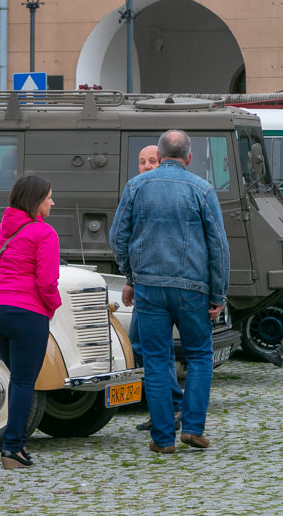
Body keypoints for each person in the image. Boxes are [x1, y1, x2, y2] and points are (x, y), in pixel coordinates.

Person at [110, 130, 229, 454]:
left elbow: (118, 237)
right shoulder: (202, 189)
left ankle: (163, 438)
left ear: (159, 156)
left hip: (150, 287)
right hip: (192, 288)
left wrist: (131, 276)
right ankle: (192, 427)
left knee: (157, 360)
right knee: (200, 355)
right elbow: (218, 246)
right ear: (189, 158)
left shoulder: (136, 186)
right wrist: (218, 295)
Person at [0, 174, 60, 469]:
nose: (52, 202)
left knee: (18, 379)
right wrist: (51, 308)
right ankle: (12, 448)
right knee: (25, 382)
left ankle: (16, 446)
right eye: (49, 197)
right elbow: (47, 281)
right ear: (36, 202)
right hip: (27, 313)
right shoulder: (45, 233)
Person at [128, 144, 183, 432]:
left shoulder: (152, 191)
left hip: (155, 283)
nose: (147, 165)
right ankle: (164, 407)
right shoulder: (136, 190)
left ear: (162, 162)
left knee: (147, 344)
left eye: (152, 160)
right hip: (145, 280)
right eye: (141, 161)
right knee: (148, 345)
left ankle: (170, 406)